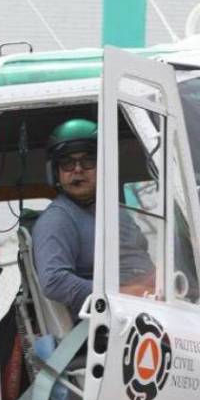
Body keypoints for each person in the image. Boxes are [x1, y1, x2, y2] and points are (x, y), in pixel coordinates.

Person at [33, 118, 156, 319]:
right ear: (55, 173)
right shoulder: (57, 219)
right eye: (67, 163)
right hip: (106, 325)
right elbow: (54, 281)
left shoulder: (118, 213)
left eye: (88, 160)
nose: (78, 169)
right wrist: (122, 296)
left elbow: (140, 258)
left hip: (145, 310)